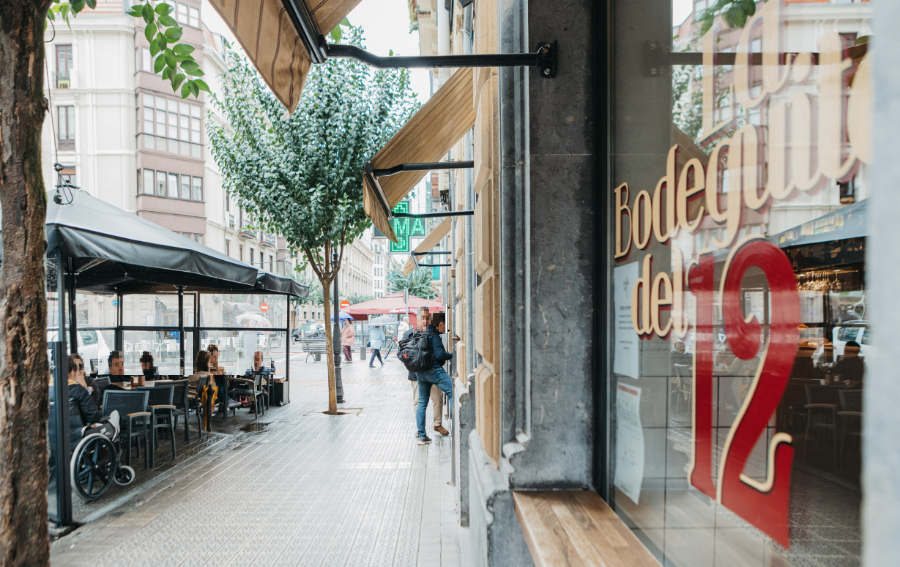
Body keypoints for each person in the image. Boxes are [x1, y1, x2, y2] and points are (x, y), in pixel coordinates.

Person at [415, 312, 458, 445]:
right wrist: (453, 354)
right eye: (445, 326)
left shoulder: (423, 332)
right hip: (434, 371)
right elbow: (439, 355)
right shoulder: (434, 336)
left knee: (422, 402)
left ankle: (421, 435)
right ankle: (458, 427)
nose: (446, 329)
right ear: (440, 323)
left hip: (420, 372)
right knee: (453, 392)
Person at [67, 354, 102, 449]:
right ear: (71, 372)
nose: (79, 371)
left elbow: (94, 405)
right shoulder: (78, 390)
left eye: (81, 367)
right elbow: (94, 416)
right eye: (76, 368)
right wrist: (85, 389)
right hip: (79, 433)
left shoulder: (89, 382)